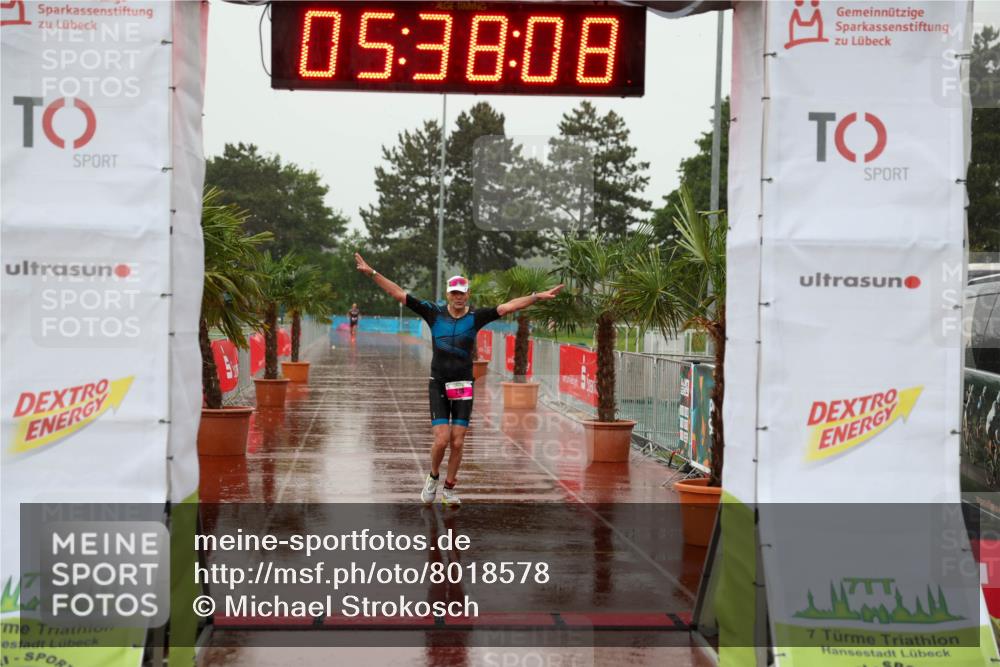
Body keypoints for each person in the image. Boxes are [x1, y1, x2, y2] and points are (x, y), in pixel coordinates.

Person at [355, 252, 563, 505]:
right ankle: (433, 477)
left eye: (461, 292)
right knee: (442, 439)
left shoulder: (476, 317)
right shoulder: (433, 313)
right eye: (454, 292)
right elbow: (398, 294)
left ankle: (450, 488)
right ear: (448, 294)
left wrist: (535, 297)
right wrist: (372, 273)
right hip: (439, 383)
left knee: (458, 440)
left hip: (463, 385)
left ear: (467, 295)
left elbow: (508, 306)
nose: (458, 296)